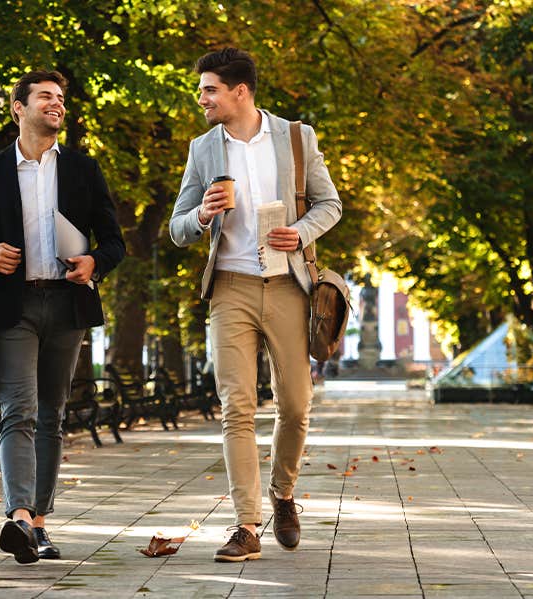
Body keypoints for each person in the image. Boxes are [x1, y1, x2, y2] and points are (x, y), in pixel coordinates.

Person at [169, 48, 342, 562]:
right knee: (236, 407)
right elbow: (177, 228)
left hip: (289, 286)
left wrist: (300, 231)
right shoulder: (203, 149)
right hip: (230, 287)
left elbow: (331, 203)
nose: (201, 98)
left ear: (239, 91)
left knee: (295, 404)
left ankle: (283, 493)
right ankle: (246, 525)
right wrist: (201, 214)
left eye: (209, 90)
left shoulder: (295, 137)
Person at [0, 70, 125, 564]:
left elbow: (114, 242)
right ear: (18, 109)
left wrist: (95, 262)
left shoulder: (82, 169)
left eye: (61, 98)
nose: (57, 105)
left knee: (51, 414)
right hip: (13, 307)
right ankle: (20, 516)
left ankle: (40, 526)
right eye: (46, 97)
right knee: (18, 411)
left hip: (67, 306)